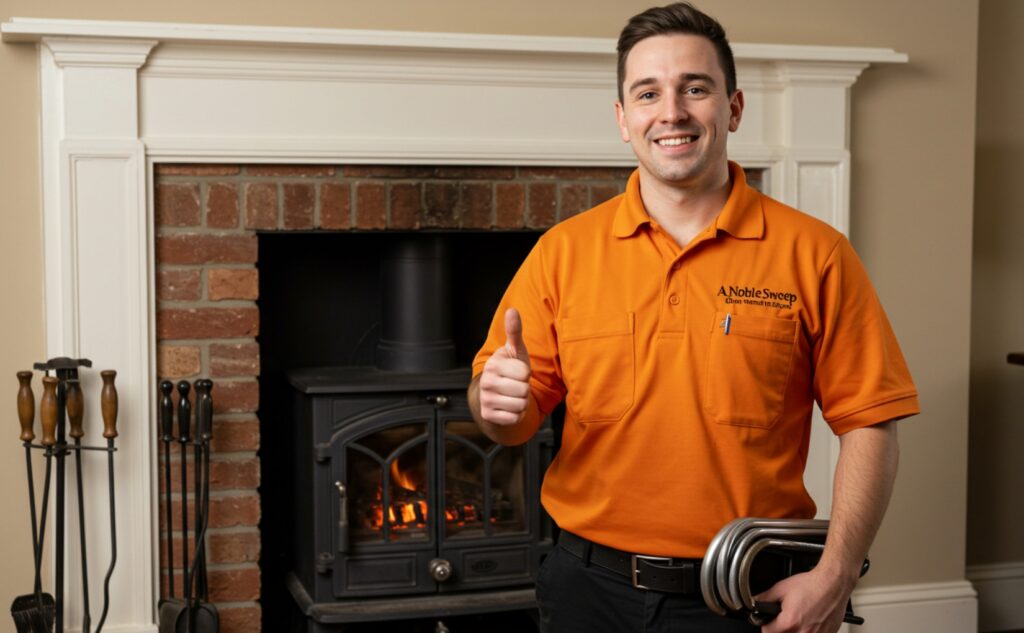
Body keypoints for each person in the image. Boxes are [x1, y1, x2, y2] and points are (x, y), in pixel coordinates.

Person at [468, 3, 919, 632]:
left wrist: (837, 575)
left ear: (733, 108)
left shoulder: (815, 254)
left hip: (742, 598)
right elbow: (509, 423)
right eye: (648, 92)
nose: (671, 112)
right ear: (624, 119)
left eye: (695, 88)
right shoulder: (561, 253)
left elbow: (872, 423)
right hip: (585, 593)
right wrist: (495, 406)